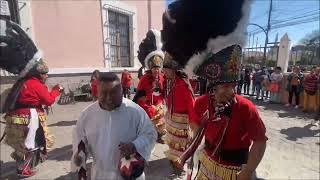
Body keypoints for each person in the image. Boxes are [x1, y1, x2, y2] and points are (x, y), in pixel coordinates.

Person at [161, 1, 267, 179]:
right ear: (214, 85)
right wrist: (204, 138)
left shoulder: (245, 107)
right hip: (207, 164)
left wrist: (248, 171)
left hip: (236, 170)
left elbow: (260, 141)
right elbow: (194, 123)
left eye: (233, 86)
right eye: (225, 86)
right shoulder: (202, 102)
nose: (230, 91)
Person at [0, 18, 63, 177]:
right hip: (30, 117)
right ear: (37, 73)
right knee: (33, 144)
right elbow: (48, 100)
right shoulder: (35, 84)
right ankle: (23, 169)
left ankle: (20, 165)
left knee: (21, 145)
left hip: (15, 118)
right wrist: (56, 91)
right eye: (44, 73)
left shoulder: (21, 82)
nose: (46, 76)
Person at [71, 72, 157, 180]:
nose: (108, 98)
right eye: (104, 93)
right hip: (101, 174)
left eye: (113, 93)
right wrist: (79, 156)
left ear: (121, 91)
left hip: (129, 174)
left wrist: (135, 145)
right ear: (97, 93)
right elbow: (80, 141)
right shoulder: (87, 115)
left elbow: (150, 134)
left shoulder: (135, 111)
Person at [162, 52, 195, 174]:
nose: (164, 72)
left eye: (166, 70)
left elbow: (192, 106)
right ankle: (175, 163)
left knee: (181, 147)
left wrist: (192, 127)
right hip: (172, 120)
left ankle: (181, 169)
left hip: (182, 123)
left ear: (173, 70)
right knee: (173, 145)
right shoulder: (173, 82)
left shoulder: (183, 84)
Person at [136, 29, 166, 143]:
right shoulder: (144, 79)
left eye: (158, 68)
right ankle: (150, 135)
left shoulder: (163, 77)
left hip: (159, 104)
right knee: (150, 123)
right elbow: (140, 96)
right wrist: (148, 107)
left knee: (161, 121)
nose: (156, 71)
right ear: (150, 68)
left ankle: (159, 135)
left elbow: (165, 92)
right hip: (148, 105)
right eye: (154, 68)